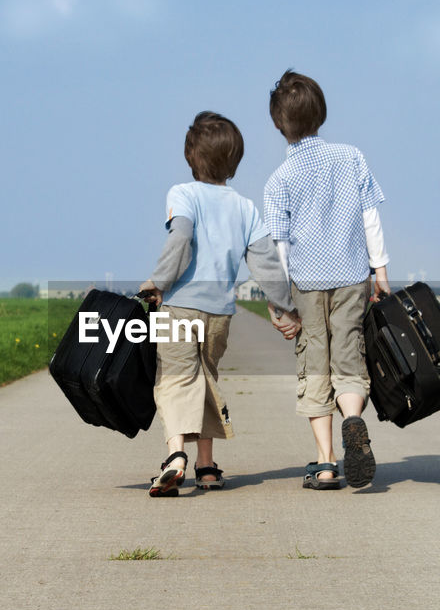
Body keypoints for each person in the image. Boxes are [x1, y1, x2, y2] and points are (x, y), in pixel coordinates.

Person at [140, 111, 300, 497]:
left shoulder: (183, 193)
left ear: (190, 157)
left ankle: (176, 456)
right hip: (219, 313)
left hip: (180, 306)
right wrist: (284, 306)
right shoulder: (245, 207)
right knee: (206, 379)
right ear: (235, 160)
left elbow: (180, 239)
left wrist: (157, 282)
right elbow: (265, 263)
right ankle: (207, 467)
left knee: (175, 379)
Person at [262, 70, 391, 490]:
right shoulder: (352, 157)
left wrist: (280, 300)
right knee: (349, 357)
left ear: (279, 125)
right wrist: (381, 269)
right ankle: (354, 419)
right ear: (321, 113)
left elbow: (279, 246)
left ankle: (326, 461)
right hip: (353, 276)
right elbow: (370, 216)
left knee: (314, 365)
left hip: (306, 282)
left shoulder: (279, 181)